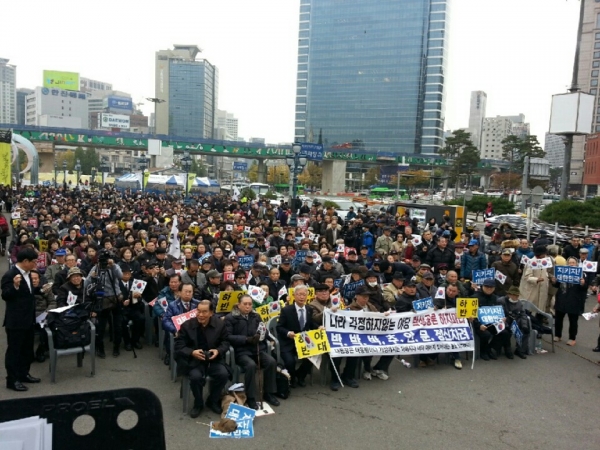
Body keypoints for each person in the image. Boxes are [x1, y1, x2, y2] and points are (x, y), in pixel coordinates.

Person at [174, 300, 230, 418]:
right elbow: (179, 346)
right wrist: (192, 352)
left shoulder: (219, 324)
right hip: (194, 361)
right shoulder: (187, 325)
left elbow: (226, 341)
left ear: (211, 313)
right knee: (195, 377)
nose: (200, 315)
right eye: (198, 311)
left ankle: (212, 400)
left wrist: (218, 351)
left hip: (213, 359)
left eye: (204, 312)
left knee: (223, 374)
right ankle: (198, 402)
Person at [225, 294, 280, 409]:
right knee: (251, 366)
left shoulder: (256, 316)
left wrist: (261, 336)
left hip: (257, 349)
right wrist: (246, 339)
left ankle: (268, 393)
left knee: (271, 362)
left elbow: (263, 330)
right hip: (241, 351)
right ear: (239, 305)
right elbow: (228, 336)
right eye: (245, 304)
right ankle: (250, 397)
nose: (247, 307)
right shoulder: (231, 318)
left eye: (250, 304)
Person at [1, 248, 41, 392]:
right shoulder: (10, 275)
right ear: (25, 261)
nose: (36, 264)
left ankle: (24, 373)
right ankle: (12, 380)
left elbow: (27, 294)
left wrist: (40, 289)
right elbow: (5, 295)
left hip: (29, 319)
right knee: (14, 352)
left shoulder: (28, 274)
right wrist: (15, 286)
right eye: (34, 262)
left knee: (27, 350)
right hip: (16, 321)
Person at [276, 285, 318, 387]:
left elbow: (310, 323)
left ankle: (300, 375)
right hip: (288, 342)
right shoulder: (287, 310)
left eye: (304, 294)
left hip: (303, 341)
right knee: (290, 361)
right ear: (294, 295)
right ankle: (292, 377)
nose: (302, 297)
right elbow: (279, 327)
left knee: (313, 356)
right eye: (299, 294)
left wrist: (319, 327)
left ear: (307, 296)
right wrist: (288, 333)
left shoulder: (308, 309)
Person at [551, 257, 588, 346]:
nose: (571, 264)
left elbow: (585, 288)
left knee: (573, 320)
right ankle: (557, 335)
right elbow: (557, 285)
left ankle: (572, 338)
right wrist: (554, 281)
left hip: (574, 300)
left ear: (576, 264)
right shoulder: (562, 272)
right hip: (562, 298)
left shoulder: (582, 274)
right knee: (558, 319)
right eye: (570, 262)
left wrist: (583, 283)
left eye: (573, 262)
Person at [497, 286, 530, 359]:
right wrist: (507, 321)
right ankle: (507, 348)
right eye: (513, 295)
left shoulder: (519, 303)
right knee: (507, 331)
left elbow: (523, 314)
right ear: (508, 294)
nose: (515, 297)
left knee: (525, 329)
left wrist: (524, 325)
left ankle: (520, 350)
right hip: (505, 321)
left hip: (515, 321)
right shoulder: (501, 301)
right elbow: (499, 314)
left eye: (516, 295)